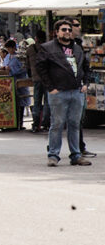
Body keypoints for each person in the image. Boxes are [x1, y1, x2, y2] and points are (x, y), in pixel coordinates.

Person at [35, 20, 92, 167]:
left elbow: (86, 66)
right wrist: (50, 88)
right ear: (56, 32)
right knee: (57, 124)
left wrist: (85, 84)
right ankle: (53, 155)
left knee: (74, 124)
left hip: (76, 91)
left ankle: (76, 155)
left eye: (69, 30)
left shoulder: (77, 48)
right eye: (64, 29)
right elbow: (40, 68)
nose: (67, 32)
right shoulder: (47, 48)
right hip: (58, 92)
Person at [66, 18, 95, 159]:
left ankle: (79, 148)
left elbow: (85, 65)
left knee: (78, 119)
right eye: (76, 25)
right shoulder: (58, 46)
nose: (79, 27)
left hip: (78, 87)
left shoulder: (78, 45)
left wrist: (86, 82)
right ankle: (53, 149)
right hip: (62, 88)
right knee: (59, 122)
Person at [26, 31, 49, 133]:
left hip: (36, 79)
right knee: (48, 102)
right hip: (47, 79)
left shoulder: (30, 49)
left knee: (37, 102)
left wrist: (30, 74)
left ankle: (36, 124)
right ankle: (46, 123)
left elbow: (26, 65)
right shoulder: (48, 48)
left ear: (36, 38)